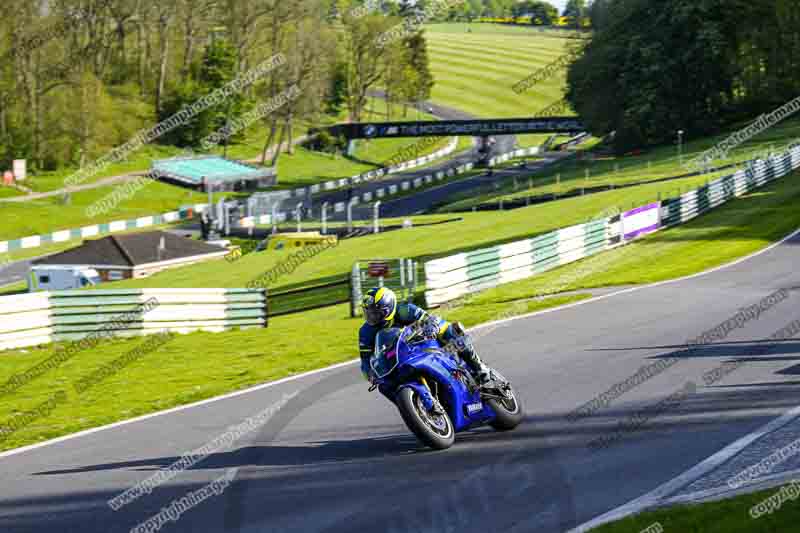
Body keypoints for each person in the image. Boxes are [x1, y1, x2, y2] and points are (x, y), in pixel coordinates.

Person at [358, 287, 491, 385]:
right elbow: (365, 360)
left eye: (376, 313)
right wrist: (370, 374)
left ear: (389, 307)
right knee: (384, 385)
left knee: (448, 329)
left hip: (423, 342)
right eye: (368, 313)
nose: (372, 317)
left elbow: (428, 319)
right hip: (397, 358)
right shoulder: (365, 332)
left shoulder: (404, 310)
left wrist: (431, 327)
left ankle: (478, 367)